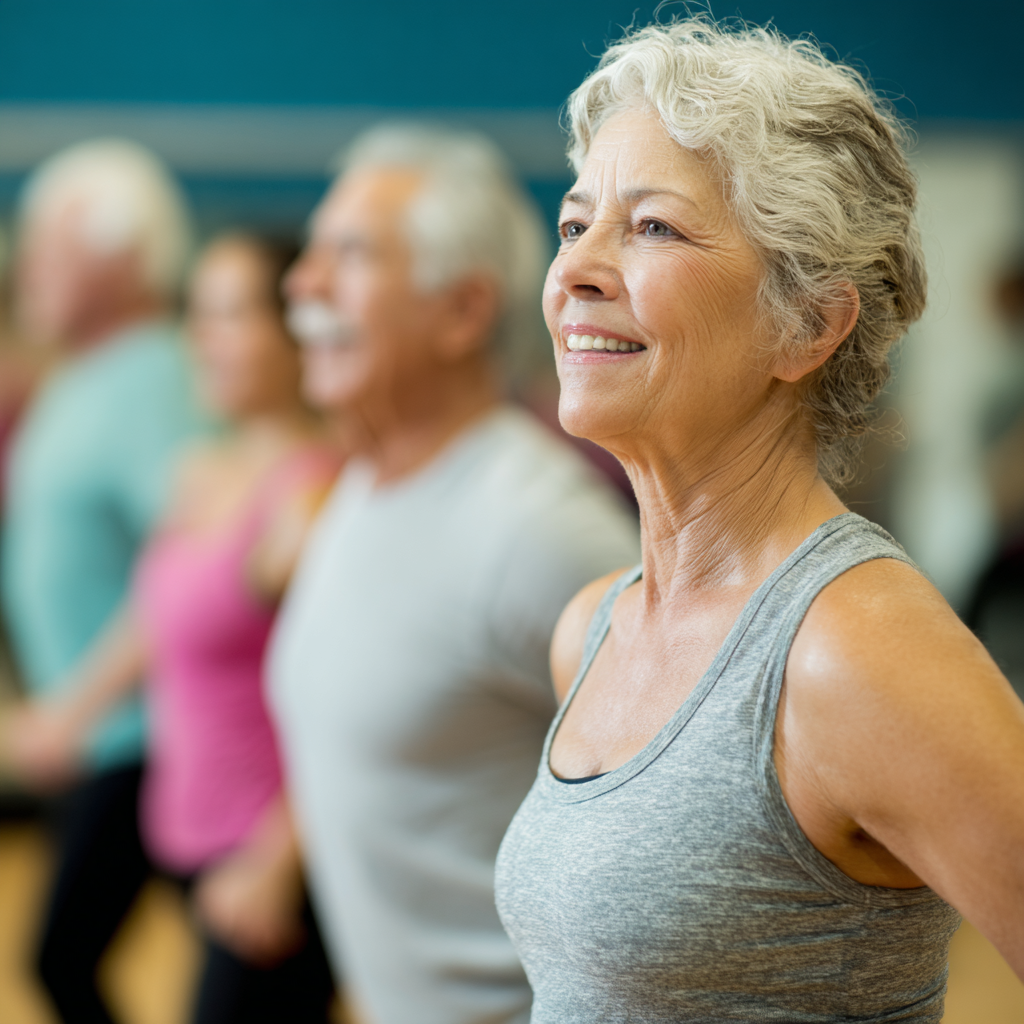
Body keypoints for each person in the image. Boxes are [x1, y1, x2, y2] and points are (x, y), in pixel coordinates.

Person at [494, 18, 1024, 1023]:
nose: (577, 270)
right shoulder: (594, 628)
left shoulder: (855, 653)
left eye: (651, 227)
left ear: (809, 323)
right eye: (573, 224)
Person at [269, 124, 641, 1024]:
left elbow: (685, 819)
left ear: (464, 310)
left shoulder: (537, 527)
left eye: (349, 254)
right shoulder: (364, 480)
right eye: (312, 251)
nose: (302, 284)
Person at [4, 233, 341, 1022]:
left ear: (298, 333)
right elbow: (157, 617)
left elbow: (352, 706)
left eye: (230, 315)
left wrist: (275, 858)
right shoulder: (204, 472)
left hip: (264, 854)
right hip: (189, 832)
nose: (201, 339)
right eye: (198, 313)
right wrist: (71, 714)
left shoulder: (311, 499)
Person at [0, 139, 205, 1023]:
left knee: (61, 960)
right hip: (106, 743)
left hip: (139, 737)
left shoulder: (152, 380)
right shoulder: (85, 375)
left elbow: (195, 565)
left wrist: (74, 709)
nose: (25, 262)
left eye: (51, 242)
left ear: (124, 258)